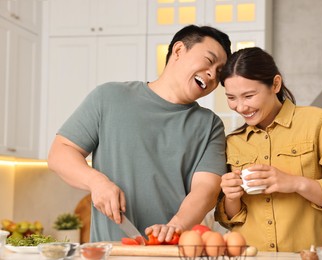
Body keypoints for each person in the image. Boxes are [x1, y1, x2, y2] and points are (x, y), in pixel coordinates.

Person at [48, 24, 231, 243]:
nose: (212, 74)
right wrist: (96, 182)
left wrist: (175, 226)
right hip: (112, 254)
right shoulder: (109, 97)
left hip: (171, 254)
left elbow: (206, 190)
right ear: (179, 51)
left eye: (219, 72)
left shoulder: (210, 125)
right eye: (209, 61)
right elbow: (60, 153)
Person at [214, 47, 322, 252]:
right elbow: (230, 220)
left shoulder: (318, 122)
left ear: (275, 84)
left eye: (248, 96)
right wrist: (231, 197)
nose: (241, 107)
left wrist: (295, 183)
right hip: (250, 256)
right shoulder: (233, 142)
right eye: (231, 97)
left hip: (304, 256)